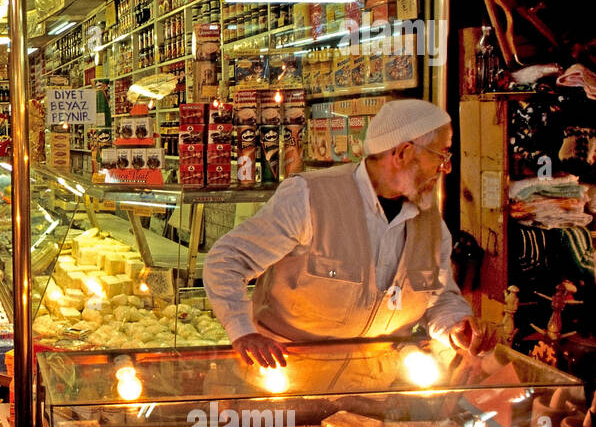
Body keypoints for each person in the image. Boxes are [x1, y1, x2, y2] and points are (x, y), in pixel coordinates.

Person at [204, 99, 490, 368]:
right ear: (402, 153)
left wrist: (455, 325)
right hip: (288, 374)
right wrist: (243, 331)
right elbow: (227, 260)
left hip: (377, 387)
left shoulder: (430, 224)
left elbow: (437, 298)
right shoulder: (310, 197)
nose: (446, 167)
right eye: (441, 155)